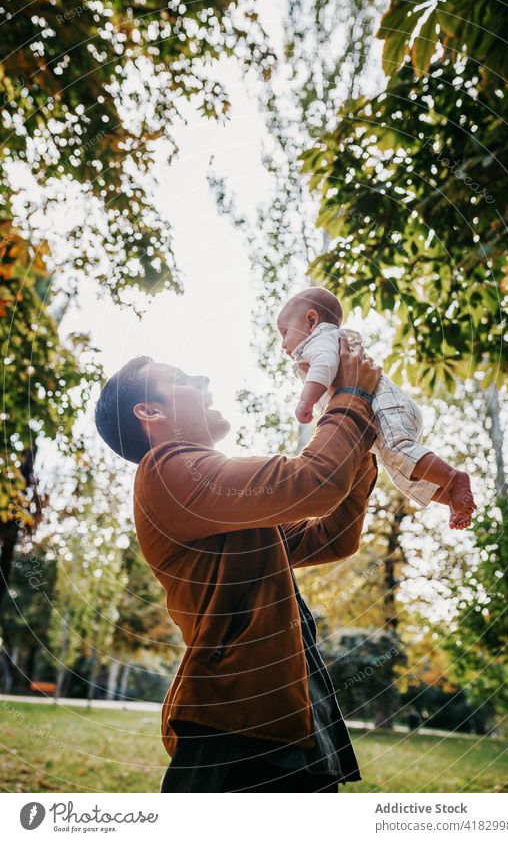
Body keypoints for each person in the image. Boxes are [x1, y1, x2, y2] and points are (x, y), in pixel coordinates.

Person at [94, 339, 380, 792]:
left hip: (292, 718)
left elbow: (330, 537)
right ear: (150, 413)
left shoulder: (216, 499)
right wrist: (352, 401)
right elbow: (315, 481)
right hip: (235, 726)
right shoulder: (167, 472)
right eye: (182, 380)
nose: (203, 381)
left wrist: (359, 446)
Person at [276, 287, 476, 529]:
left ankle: (455, 479)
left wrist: (305, 402)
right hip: (382, 416)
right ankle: (452, 500)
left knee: (397, 451)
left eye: (284, 333)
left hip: (384, 406)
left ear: (311, 320)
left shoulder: (322, 339)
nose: (282, 344)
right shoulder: (319, 344)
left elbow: (325, 365)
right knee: (401, 472)